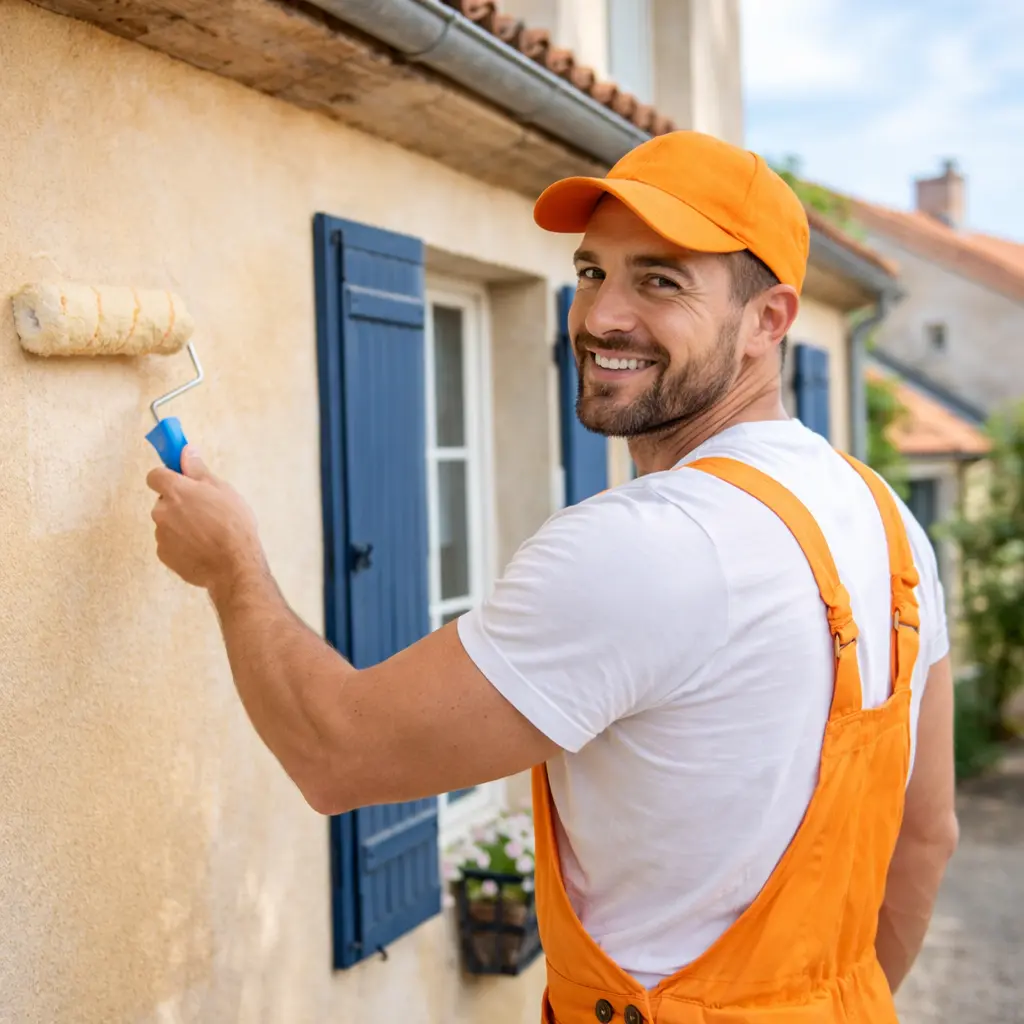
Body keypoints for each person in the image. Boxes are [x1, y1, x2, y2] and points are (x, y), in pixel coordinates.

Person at [147, 131, 958, 1022]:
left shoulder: (649, 545)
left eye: (661, 280)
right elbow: (926, 836)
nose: (601, 316)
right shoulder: (887, 521)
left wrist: (232, 569)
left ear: (770, 320)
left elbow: (335, 753)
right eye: (591, 272)